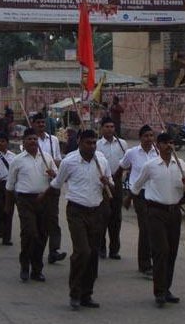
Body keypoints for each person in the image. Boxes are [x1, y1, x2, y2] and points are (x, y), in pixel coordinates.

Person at [47, 129, 112, 310]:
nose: (91, 146)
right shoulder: (69, 162)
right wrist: (43, 198)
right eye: (87, 143)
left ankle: (87, 294)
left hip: (96, 210)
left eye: (93, 143)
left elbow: (111, 184)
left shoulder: (102, 161)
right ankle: (74, 293)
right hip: (76, 211)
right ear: (79, 142)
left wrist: (107, 182)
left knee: (93, 254)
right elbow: (57, 183)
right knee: (82, 251)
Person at [131, 133, 185, 307]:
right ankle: (159, 291)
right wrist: (136, 202)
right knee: (162, 250)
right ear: (158, 146)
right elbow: (136, 186)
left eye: (172, 143)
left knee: (172, 251)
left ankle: (167, 288)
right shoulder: (150, 166)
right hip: (156, 212)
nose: (169, 146)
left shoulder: (181, 165)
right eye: (165, 143)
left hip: (174, 211)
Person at [5, 128, 57, 282]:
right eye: (29, 139)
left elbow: (57, 178)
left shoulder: (47, 158)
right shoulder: (18, 160)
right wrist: (8, 206)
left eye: (35, 139)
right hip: (25, 200)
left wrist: (53, 174)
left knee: (42, 235)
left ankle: (37, 269)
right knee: (30, 233)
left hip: (44, 199)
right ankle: (24, 264)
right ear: (24, 142)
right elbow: (10, 185)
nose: (33, 142)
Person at [118, 125, 159, 277]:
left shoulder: (158, 153)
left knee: (155, 229)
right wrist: (124, 194)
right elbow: (121, 168)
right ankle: (145, 264)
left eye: (151, 136)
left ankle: (156, 261)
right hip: (139, 194)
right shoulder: (132, 153)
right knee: (145, 228)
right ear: (140, 138)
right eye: (146, 136)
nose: (149, 139)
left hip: (155, 194)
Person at [31, 112, 67, 264]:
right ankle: (35, 251)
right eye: (38, 122)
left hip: (51, 184)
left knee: (53, 218)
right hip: (35, 185)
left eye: (42, 122)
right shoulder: (30, 140)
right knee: (37, 222)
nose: (41, 125)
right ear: (33, 124)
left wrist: (55, 172)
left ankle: (54, 250)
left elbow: (58, 160)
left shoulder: (53, 140)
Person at [97, 117, 128, 259]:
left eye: (112, 126)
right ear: (102, 128)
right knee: (102, 217)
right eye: (107, 126)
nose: (110, 129)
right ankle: (101, 247)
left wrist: (123, 176)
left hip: (117, 182)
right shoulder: (97, 145)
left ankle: (114, 249)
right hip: (101, 183)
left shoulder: (122, 144)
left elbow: (127, 163)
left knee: (116, 218)